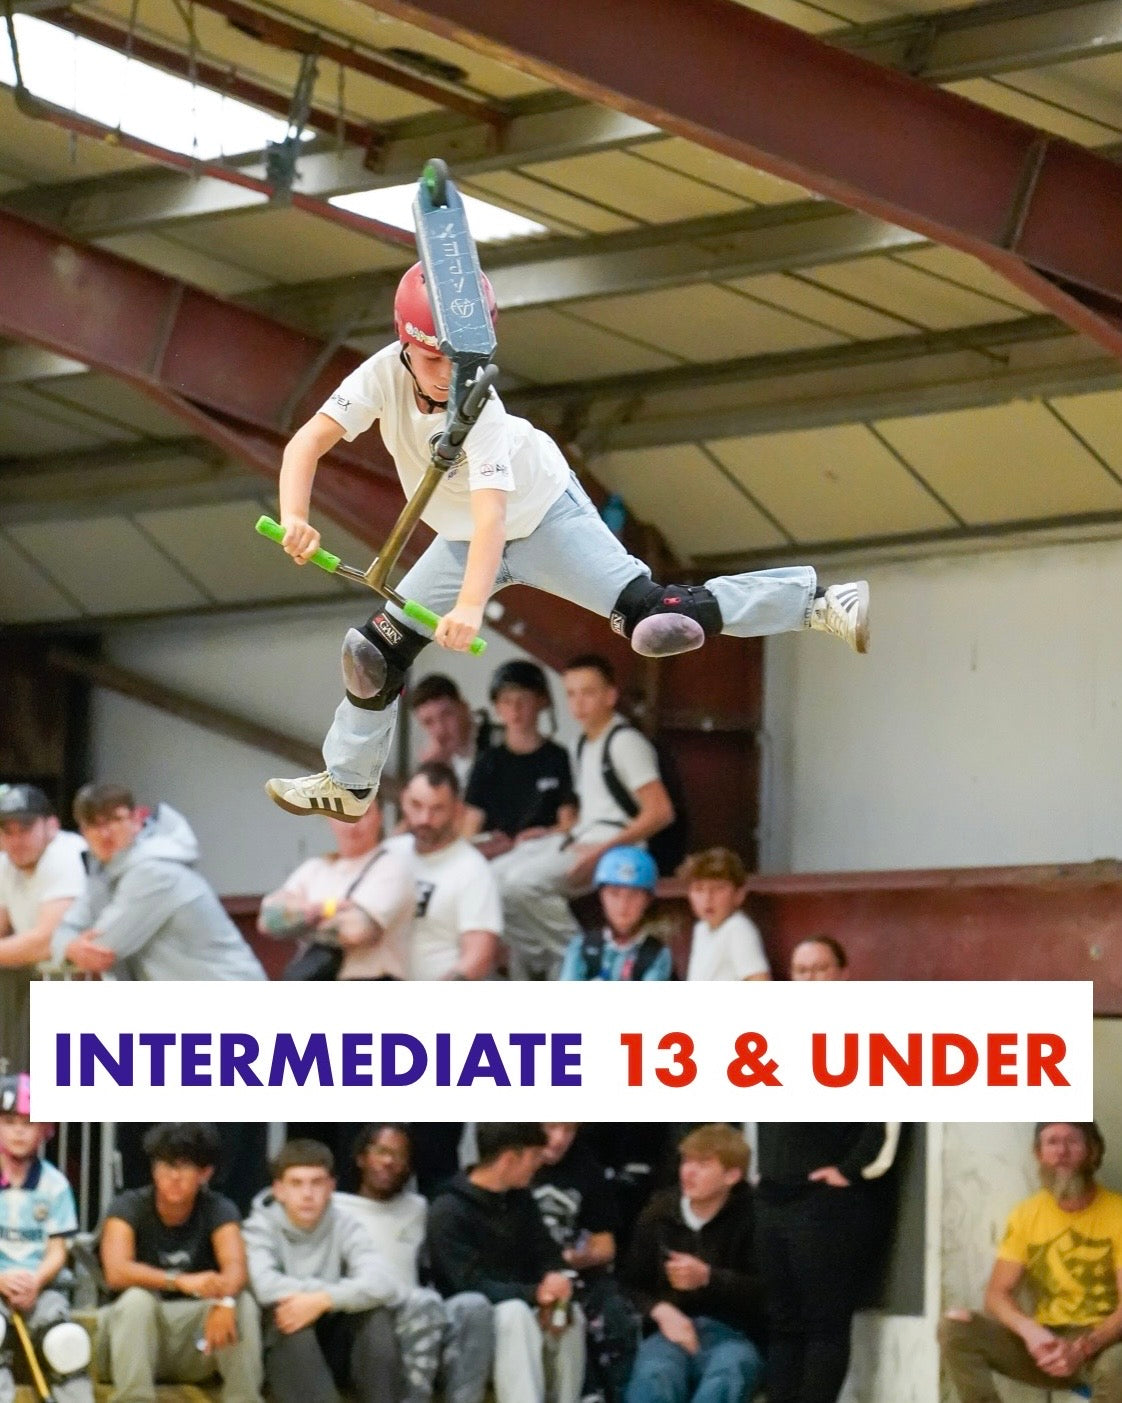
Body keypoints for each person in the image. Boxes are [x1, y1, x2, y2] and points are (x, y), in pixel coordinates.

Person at [263, 260, 870, 821]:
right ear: (405, 344)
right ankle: (349, 784)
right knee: (371, 655)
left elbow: (495, 519)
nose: (448, 376)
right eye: (433, 361)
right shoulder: (381, 373)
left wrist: (470, 607)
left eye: (461, 361)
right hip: (463, 538)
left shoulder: (481, 409)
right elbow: (306, 443)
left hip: (541, 518)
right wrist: (295, 517)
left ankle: (816, 602)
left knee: (657, 622)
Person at [492, 654, 674, 981]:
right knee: (490, 876)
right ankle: (548, 959)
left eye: (588, 693)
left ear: (610, 696)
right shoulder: (580, 743)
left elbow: (660, 813)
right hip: (581, 837)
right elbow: (592, 811)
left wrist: (600, 851)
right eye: (571, 694)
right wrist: (552, 832)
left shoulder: (625, 742)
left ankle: (580, 961)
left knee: (522, 883)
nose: (578, 703)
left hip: (617, 847)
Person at [941, 1121, 1122, 1402]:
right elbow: (996, 1294)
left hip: (1104, 1344)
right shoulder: (1027, 1215)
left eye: (1072, 1141)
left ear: (1092, 1151)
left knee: (1117, 1362)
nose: (1061, 1152)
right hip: (1046, 1345)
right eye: (1052, 1142)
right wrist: (1032, 1333)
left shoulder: (1117, 1213)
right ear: (1038, 1154)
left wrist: (1084, 1348)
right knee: (956, 1329)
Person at [98, 1122, 263, 1403]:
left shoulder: (219, 1209)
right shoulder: (128, 1206)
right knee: (137, 1300)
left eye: (185, 1167)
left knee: (242, 1303)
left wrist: (226, 1301)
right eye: (166, 1166)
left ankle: (243, 1399)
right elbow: (116, 1272)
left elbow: (236, 1267)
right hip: (130, 1342)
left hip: (197, 1341)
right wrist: (179, 1281)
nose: (174, 1177)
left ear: (204, 1173)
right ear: (154, 1170)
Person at [425, 1123, 584, 1403]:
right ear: (510, 1159)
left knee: (571, 1316)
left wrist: (555, 1286)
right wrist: (534, 1294)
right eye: (534, 1157)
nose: (538, 1165)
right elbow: (467, 1284)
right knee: (514, 1314)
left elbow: (546, 1253)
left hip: (529, 1302)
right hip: (473, 1322)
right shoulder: (448, 1209)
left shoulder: (521, 1200)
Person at [244, 1138, 411, 1403]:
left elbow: (383, 1282)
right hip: (286, 1348)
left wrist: (323, 1300)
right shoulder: (258, 1227)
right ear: (279, 1190)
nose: (307, 1194)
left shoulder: (346, 1224)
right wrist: (318, 1300)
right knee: (289, 1317)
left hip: (335, 1342)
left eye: (317, 1183)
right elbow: (265, 1286)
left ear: (331, 1187)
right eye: (296, 1183)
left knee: (375, 1317)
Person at [335, 1124, 493, 1403]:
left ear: (409, 1167)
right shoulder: (336, 1207)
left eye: (399, 1156)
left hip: (421, 1318)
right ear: (361, 1158)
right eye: (381, 1151)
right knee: (422, 1302)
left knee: (473, 1305)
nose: (389, 1161)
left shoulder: (418, 1207)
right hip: (367, 1323)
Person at [49, 784, 266, 982]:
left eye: (115, 820)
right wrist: (69, 947)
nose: (104, 833)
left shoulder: (154, 870)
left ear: (136, 820)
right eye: (93, 825)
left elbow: (103, 948)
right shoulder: (101, 874)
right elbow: (65, 930)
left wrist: (71, 947)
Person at [755, 1123, 900, 1403]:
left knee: (824, 1323)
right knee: (782, 1322)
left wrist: (851, 1169)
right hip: (773, 1195)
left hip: (825, 1197)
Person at [622, 1124, 765, 1403]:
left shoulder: (754, 1218)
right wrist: (661, 1311)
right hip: (669, 1329)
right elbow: (629, 1285)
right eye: (686, 1162)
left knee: (728, 1374)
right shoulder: (658, 1214)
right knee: (654, 1374)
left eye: (703, 1165)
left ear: (732, 1175)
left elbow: (768, 1294)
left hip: (734, 1334)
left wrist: (709, 1278)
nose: (688, 1172)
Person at [0, 1074, 93, 1403]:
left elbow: (57, 1250)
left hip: (42, 1287)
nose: (19, 1131)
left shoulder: (55, 1184)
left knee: (66, 1343)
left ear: (45, 1129)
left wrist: (35, 1282)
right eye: (9, 1122)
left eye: (28, 1123)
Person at [532, 1123, 637, 1403]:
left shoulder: (586, 1169)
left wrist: (573, 1258)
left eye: (569, 1130)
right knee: (560, 1313)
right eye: (552, 1127)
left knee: (614, 1312)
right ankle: (585, 1391)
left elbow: (606, 1247)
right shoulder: (515, 1167)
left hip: (575, 1275)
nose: (559, 1139)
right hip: (526, 1279)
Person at [258, 803, 414, 981]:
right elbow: (268, 920)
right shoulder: (314, 869)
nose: (353, 824)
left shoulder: (392, 867)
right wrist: (324, 909)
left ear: (379, 817)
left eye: (363, 813)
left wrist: (297, 919)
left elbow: (356, 931)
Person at [383, 763, 500, 981]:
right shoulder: (388, 854)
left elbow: (479, 956)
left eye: (437, 809)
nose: (424, 819)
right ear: (404, 800)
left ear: (457, 810)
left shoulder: (473, 870)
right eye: (416, 805)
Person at [0, 784, 86, 1074]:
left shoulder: (65, 854)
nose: (16, 840)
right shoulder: (6, 863)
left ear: (52, 826)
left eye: (25, 829)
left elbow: (46, 942)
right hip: (45, 981)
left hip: (93, 984)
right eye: (7, 831)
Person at [462, 660, 577, 859]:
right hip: (496, 855)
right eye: (506, 701)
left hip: (543, 852)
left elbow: (568, 822)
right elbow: (470, 827)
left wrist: (544, 834)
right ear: (497, 707)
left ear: (541, 701)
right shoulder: (487, 762)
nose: (515, 709)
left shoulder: (558, 758)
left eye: (524, 699)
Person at [558, 847, 672, 982]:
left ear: (647, 900)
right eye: (614, 893)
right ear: (601, 896)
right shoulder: (582, 945)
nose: (623, 905)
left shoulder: (656, 953)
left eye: (634, 895)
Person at [681, 847, 770, 981]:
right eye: (699, 889)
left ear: (739, 894)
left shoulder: (738, 928)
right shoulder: (701, 929)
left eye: (718, 888)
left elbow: (758, 978)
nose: (707, 898)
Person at [410, 675, 481, 789]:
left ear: (464, 707)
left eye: (446, 714)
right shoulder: (435, 756)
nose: (440, 729)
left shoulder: (496, 743)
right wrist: (432, 770)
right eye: (429, 722)